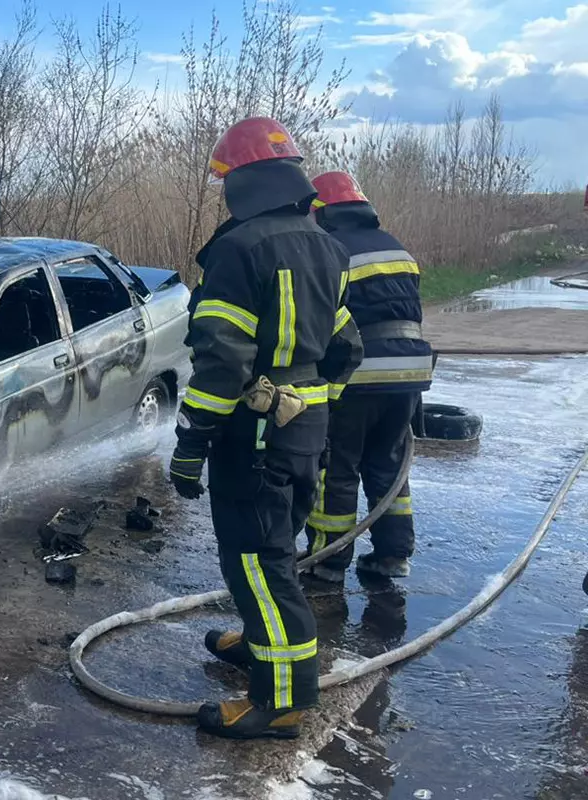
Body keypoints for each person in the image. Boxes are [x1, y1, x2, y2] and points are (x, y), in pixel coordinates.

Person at [170, 118, 364, 739]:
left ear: (245, 182)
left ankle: (280, 701)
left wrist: (191, 443)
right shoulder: (327, 246)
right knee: (274, 550)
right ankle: (261, 645)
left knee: (258, 563)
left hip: (252, 439)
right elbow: (345, 349)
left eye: (225, 179)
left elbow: (222, 361)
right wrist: (313, 406)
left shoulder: (238, 249)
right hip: (303, 434)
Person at [303, 172, 433, 583]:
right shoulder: (397, 247)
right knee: (388, 464)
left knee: (337, 467)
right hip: (410, 374)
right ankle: (394, 556)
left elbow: (321, 320)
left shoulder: (329, 248)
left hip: (359, 376)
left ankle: (328, 560)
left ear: (322, 211)